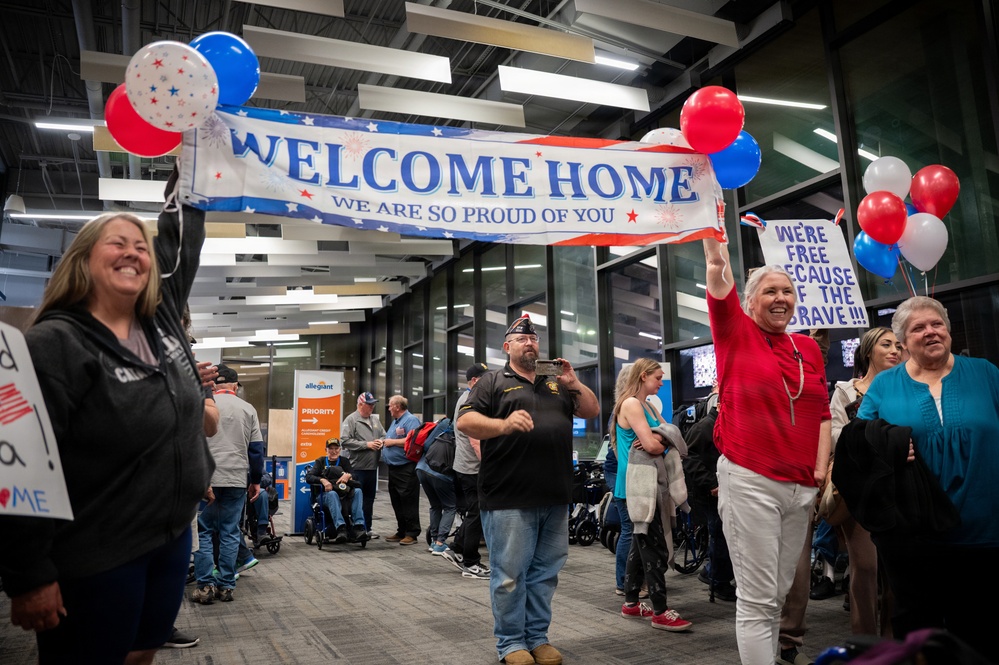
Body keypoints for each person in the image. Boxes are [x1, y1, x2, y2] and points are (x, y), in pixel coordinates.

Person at [0, 173, 214, 664]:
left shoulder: (160, 322)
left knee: (141, 656)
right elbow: (17, 467)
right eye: (116, 243)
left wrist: (198, 163)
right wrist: (28, 575)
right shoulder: (54, 344)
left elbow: (181, 239)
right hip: (97, 552)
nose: (133, 252)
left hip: (170, 537)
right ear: (84, 261)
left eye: (140, 246)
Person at [702, 233, 831, 665]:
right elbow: (718, 275)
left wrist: (818, 470)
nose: (781, 298)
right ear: (750, 302)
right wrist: (712, 242)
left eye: (787, 291)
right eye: (770, 291)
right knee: (758, 600)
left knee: (777, 593)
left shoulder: (808, 348)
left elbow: (823, 413)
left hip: (799, 488)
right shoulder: (734, 332)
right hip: (751, 479)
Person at [855, 296, 999, 661]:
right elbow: (859, 443)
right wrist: (886, 448)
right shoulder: (885, 385)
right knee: (920, 635)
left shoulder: (985, 373)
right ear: (902, 341)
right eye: (918, 327)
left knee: (981, 629)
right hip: (911, 536)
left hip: (984, 530)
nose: (930, 331)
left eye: (936, 324)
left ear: (948, 330)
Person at [457, 314, 599, 665]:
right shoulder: (492, 381)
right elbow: (465, 420)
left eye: (534, 338)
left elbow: (592, 410)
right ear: (507, 347)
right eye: (521, 339)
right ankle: (510, 643)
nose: (529, 342)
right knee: (509, 575)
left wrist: (573, 381)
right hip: (508, 495)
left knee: (545, 573)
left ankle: (537, 637)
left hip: (554, 493)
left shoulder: (556, 383)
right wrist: (503, 424)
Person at [824, 327, 901, 637]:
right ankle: (867, 642)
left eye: (898, 344)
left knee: (896, 570)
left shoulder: (908, 388)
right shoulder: (847, 391)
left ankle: (895, 642)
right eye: (887, 344)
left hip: (898, 487)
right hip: (859, 489)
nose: (895, 350)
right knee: (866, 568)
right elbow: (834, 436)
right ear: (869, 351)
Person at [613, 358, 693, 631]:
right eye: (658, 378)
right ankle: (660, 611)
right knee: (654, 550)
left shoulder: (644, 403)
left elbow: (671, 432)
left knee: (640, 546)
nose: (661, 382)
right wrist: (662, 438)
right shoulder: (632, 404)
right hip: (637, 489)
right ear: (644, 375)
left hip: (643, 487)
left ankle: (631, 603)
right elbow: (655, 444)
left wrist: (662, 436)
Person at [192, 363, 265, 605]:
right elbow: (256, 451)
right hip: (235, 477)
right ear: (235, 386)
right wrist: (255, 481)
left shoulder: (199, 405)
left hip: (205, 478)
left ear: (213, 385)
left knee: (203, 531)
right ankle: (226, 585)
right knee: (230, 531)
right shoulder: (248, 408)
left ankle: (205, 586)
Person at [682, 382, 735, 602]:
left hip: (723, 490)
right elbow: (689, 460)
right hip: (712, 494)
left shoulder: (720, 425)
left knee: (724, 536)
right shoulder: (705, 427)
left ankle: (714, 575)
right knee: (721, 537)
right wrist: (712, 484)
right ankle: (719, 581)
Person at [445, 362, 491, 579]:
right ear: (474, 381)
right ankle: (471, 563)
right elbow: (475, 440)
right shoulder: (471, 400)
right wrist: (489, 464)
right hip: (472, 468)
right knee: (477, 514)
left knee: (475, 511)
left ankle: (456, 548)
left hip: (465, 466)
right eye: (484, 379)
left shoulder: (466, 398)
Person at [340, 392, 386, 538]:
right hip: (357, 468)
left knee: (369, 500)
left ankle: (367, 528)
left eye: (373, 404)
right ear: (360, 405)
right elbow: (345, 441)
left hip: (372, 468)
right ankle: (355, 528)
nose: (372, 406)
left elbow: (384, 435)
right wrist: (367, 445)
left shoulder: (375, 420)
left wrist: (381, 442)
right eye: (369, 404)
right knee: (356, 498)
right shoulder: (351, 420)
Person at [305, 438, 368, 542]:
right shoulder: (320, 461)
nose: (334, 451)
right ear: (326, 450)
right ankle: (340, 528)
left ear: (340, 449)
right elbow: (309, 477)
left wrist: (348, 476)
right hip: (325, 496)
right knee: (332, 494)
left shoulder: (344, 461)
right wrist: (323, 480)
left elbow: (355, 476)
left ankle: (358, 527)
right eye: (331, 449)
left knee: (358, 491)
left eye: (336, 448)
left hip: (345, 494)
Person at [380, 394, 423, 545]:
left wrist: (392, 442)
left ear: (398, 407)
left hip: (406, 468)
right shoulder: (396, 421)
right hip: (394, 468)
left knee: (408, 500)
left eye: (390, 405)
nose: (389, 408)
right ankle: (402, 530)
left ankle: (412, 533)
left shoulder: (410, 420)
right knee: (397, 500)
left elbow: (414, 440)